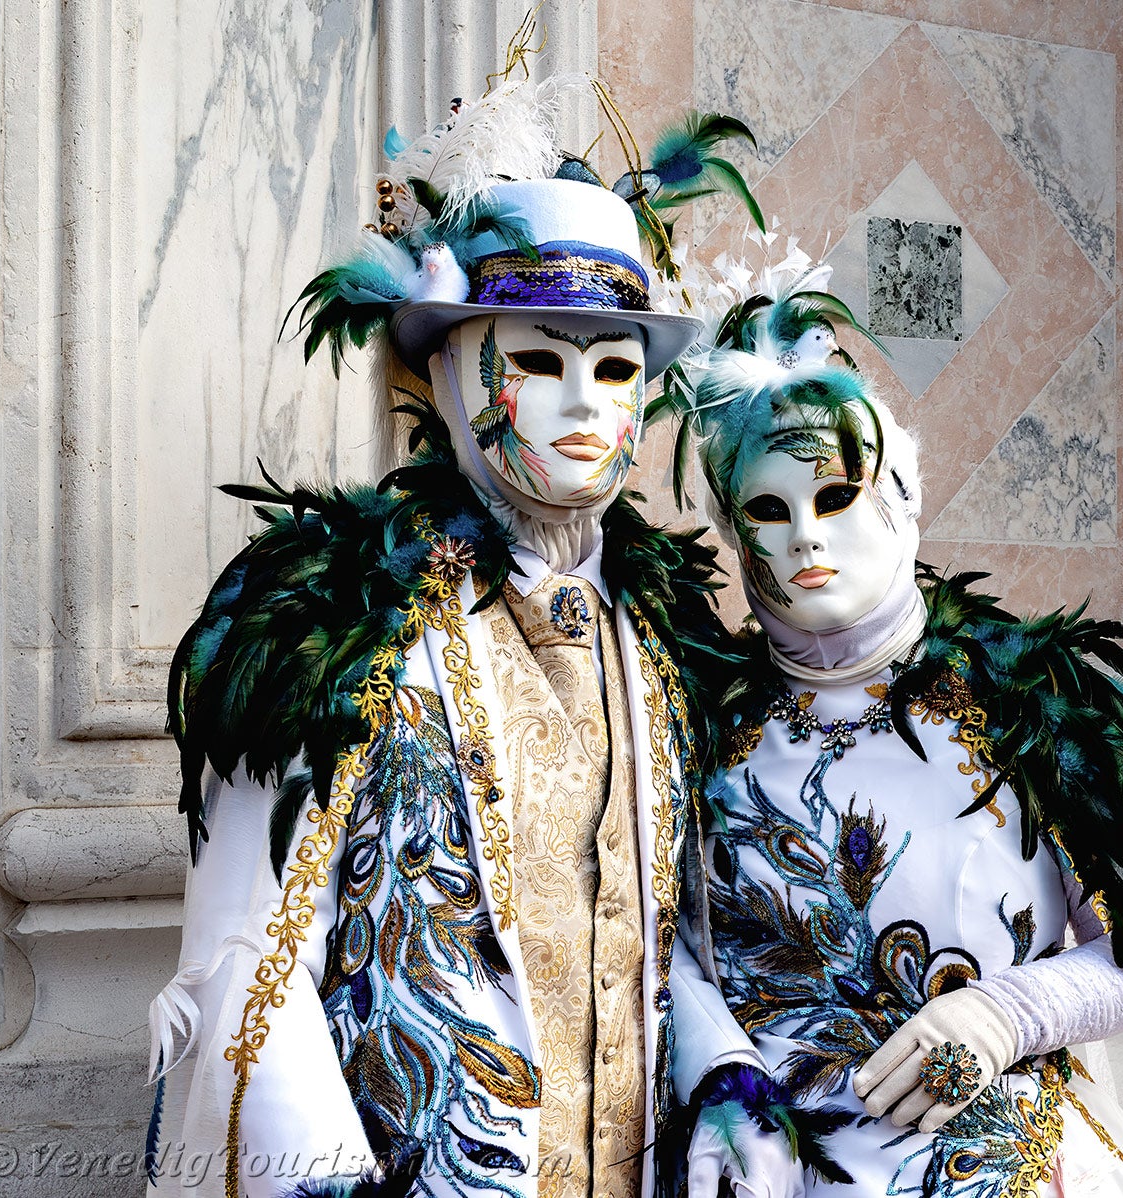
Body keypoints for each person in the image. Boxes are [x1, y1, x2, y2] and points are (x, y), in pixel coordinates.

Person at [143, 72, 763, 1198]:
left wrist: (722, 1073)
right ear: (447, 369)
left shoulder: (668, 640)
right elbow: (249, 961)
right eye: (540, 361)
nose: (586, 402)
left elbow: (665, 938)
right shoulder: (333, 620)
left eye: (616, 367)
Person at [653, 275, 1123, 1197]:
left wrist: (1010, 1013)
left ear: (901, 497)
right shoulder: (695, 720)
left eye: (835, 495)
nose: (804, 539)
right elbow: (646, 943)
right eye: (767, 510)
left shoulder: (1025, 705)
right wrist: (719, 1073)